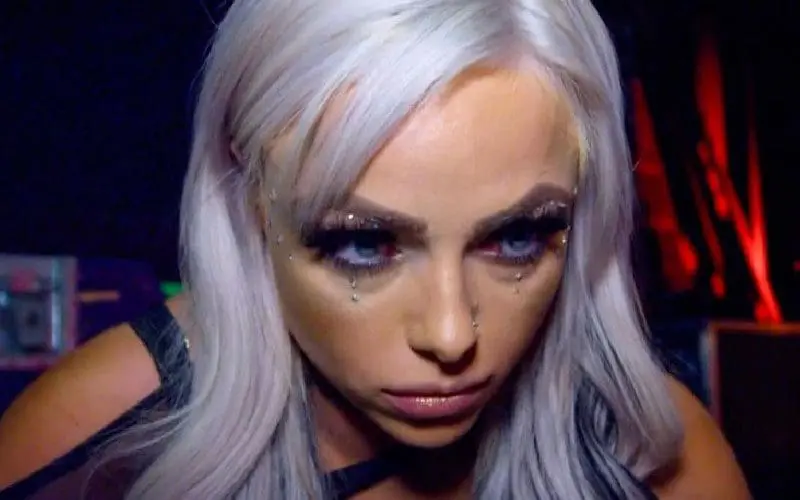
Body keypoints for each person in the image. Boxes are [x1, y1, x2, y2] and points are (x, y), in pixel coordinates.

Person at [0, 0, 749, 498]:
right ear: (249, 199)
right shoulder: (92, 446)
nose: (451, 336)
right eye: (363, 244)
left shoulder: (657, 455)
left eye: (516, 238)